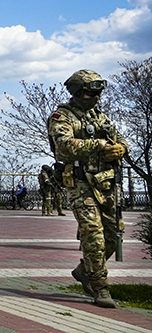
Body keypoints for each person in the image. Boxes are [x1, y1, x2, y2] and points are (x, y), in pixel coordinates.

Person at [48, 69, 129, 308]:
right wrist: (99, 145)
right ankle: (100, 287)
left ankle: (85, 271)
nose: (94, 97)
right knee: (93, 234)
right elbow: (63, 146)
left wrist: (121, 149)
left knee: (113, 237)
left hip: (106, 183)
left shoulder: (99, 117)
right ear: (77, 92)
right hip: (80, 184)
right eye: (89, 93)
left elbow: (120, 139)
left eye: (97, 93)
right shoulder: (61, 116)